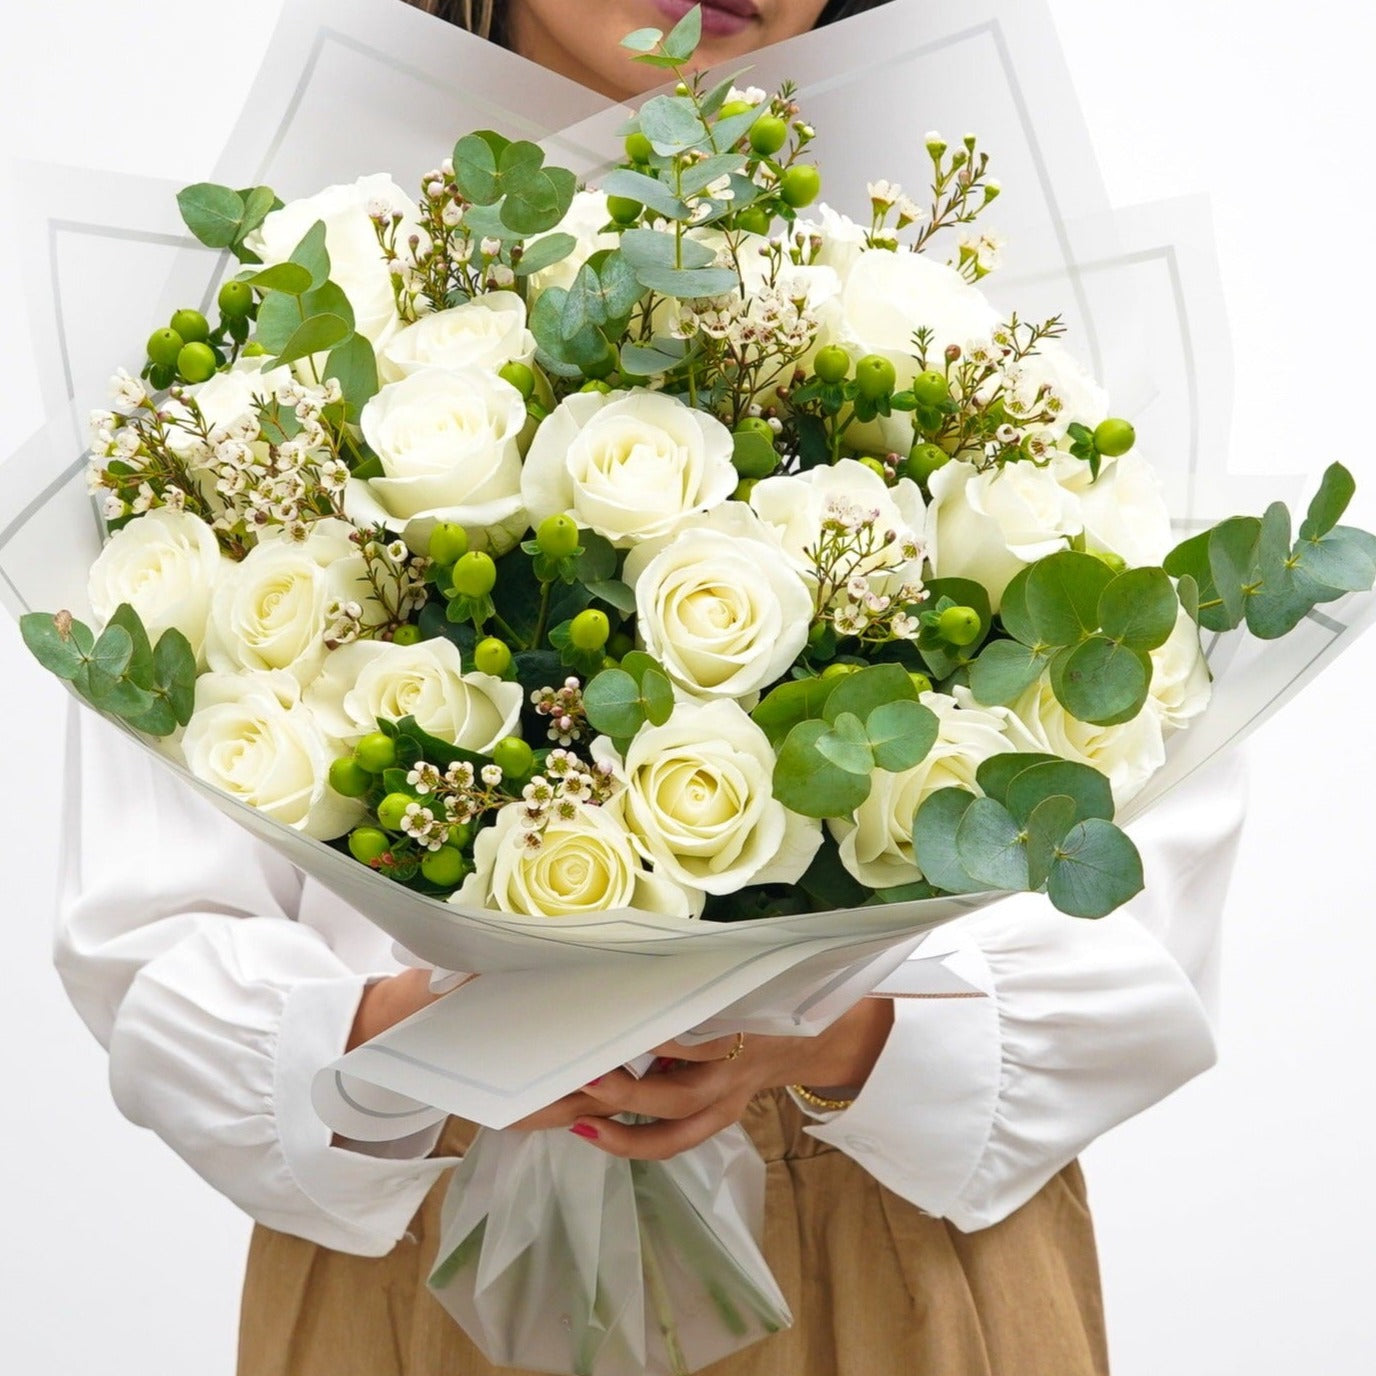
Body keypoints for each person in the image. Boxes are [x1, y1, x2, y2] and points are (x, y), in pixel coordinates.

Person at [54, 2, 1250, 1374]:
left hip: (897, 1270)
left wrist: (834, 1034)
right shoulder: (272, 337)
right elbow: (146, 931)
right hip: (424, 1264)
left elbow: (1149, 876)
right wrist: (422, 1039)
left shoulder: (976, 316)